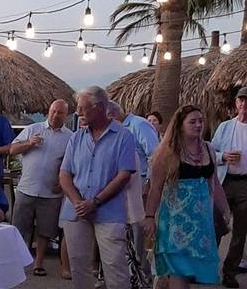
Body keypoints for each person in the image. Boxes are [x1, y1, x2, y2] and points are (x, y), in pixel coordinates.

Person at [59, 86, 136, 289]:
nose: (78, 113)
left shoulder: (123, 136)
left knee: (115, 267)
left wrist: (95, 202)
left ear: (100, 107)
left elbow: (124, 175)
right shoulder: (76, 138)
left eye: (83, 109)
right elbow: (64, 174)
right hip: (76, 211)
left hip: (109, 211)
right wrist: (79, 203)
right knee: (79, 266)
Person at [144, 105, 229, 288]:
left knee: (195, 271)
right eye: (192, 121)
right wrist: (150, 217)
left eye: (201, 121)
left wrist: (225, 209)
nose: (198, 125)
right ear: (180, 125)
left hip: (202, 223)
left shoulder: (208, 149)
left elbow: (214, 183)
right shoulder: (166, 153)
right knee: (179, 272)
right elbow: (156, 188)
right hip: (176, 223)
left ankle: (164, 281)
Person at [9, 99, 73, 277]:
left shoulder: (70, 137)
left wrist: (62, 183)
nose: (55, 115)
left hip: (50, 193)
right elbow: (12, 149)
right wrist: (28, 143)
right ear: (48, 111)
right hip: (26, 188)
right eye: (53, 111)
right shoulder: (33, 129)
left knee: (45, 230)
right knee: (20, 227)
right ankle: (18, 263)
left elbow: (72, 164)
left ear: (66, 115)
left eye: (59, 112)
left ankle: (38, 263)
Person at [108, 101, 159, 286]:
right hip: (123, 190)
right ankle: (129, 272)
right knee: (128, 232)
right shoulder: (119, 130)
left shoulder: (139, 125)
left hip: (142, 188)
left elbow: (155, 155)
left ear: (112, 115)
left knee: (140, 232)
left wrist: (150, 184)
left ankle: (143, 275)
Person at [210, 86, 247, 287]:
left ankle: (230, 272)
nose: (244, 104)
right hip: (224, 181)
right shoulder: (225, 127)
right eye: (241, 100)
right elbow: (210, 152)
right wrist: (223, 157)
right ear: (236, 103)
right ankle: (208, 266)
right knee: (216, 225)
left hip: (245, 183)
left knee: (240, 230)